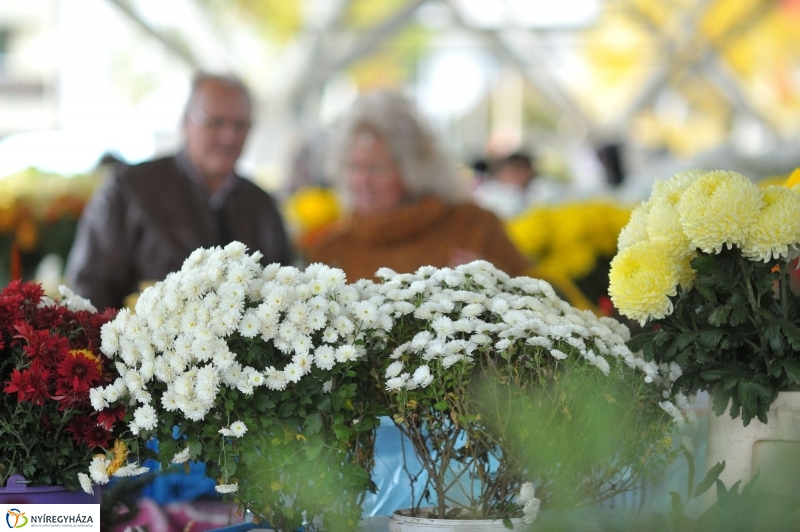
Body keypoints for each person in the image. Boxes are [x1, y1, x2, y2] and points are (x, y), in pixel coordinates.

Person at [65, 73, 293, 310]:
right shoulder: (129, 190)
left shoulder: (262, 204)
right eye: (215, 122)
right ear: (186, 122)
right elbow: (88, 289)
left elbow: (284, 288)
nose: (229, 136)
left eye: (240, 125)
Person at [306, 89, 529, 282]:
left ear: (416, 170)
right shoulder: (328, 253)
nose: (362, 180)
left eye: (377, 168)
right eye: (354, 166)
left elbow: (540, 301)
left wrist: (498, 282)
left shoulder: (474, 227)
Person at [471, 151, 538, 219]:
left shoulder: (536, 190)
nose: (522, 176)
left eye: (525, 170)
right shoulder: (486, 193)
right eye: (515, 171)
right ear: (502, 172)